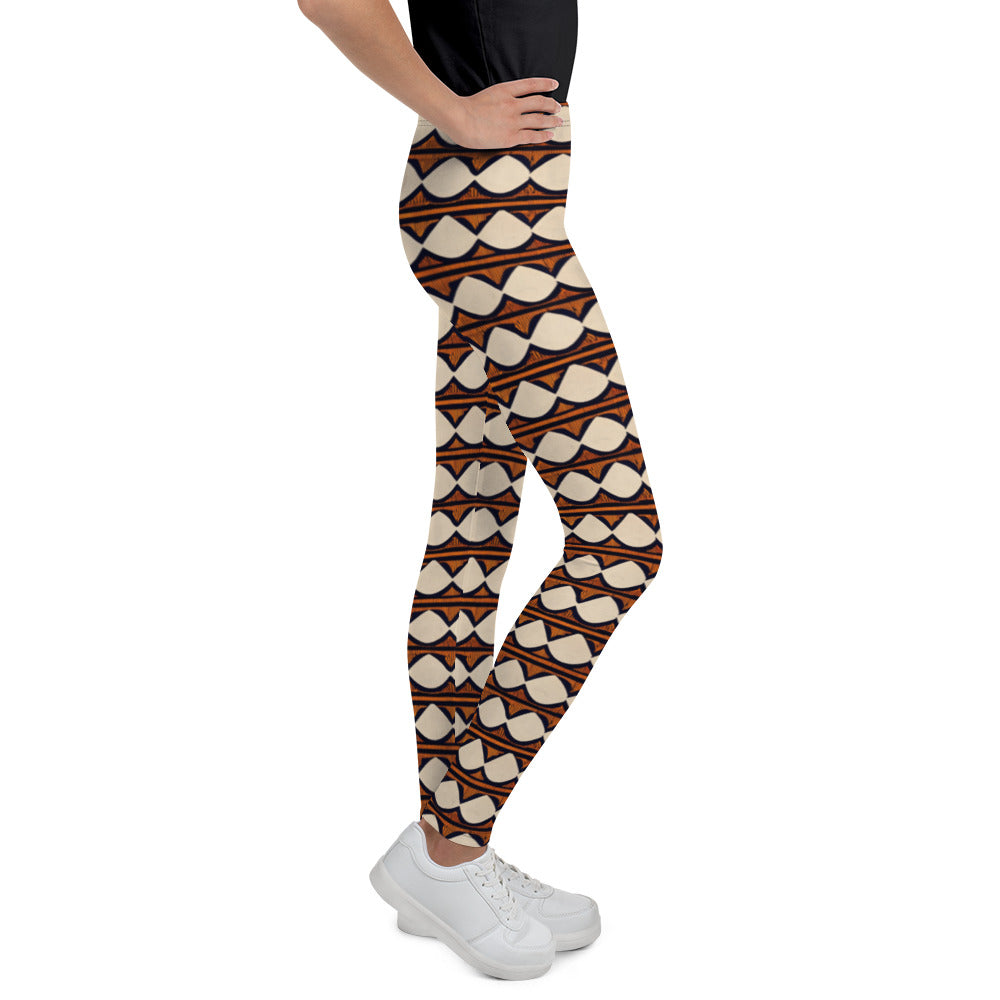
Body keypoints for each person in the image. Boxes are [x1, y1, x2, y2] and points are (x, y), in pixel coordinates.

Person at [298, 0, 663, 979]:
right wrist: (452, 109)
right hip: (486, 208)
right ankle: (447, 845)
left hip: (504, 197)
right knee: (619, 542)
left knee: (473, 526)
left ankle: (451, 850)